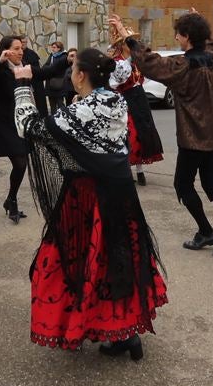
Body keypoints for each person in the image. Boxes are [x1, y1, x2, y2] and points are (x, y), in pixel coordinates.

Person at [13, 48, 167, 359]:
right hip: (121, 193)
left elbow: (29, 126)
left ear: (81, 75)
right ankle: (126, 334)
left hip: (87, 195)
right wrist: (77, 104)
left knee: (75, 262)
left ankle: (89, 326)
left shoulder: (79, 112)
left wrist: (22, 85)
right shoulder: (114, 100)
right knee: (116, 259)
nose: (71, 74)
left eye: (73, 70)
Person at [116, 11, 213, 258]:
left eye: (179, 33)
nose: (176, 37)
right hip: (212, 135)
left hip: (194, 136)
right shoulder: (211, 59)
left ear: (186, 37)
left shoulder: (184, 65)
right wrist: (199, 22)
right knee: (212, 183)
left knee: (183, 185)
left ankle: (208, 231)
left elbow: (152, 63)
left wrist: (129, 39)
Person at [0, 36, 69, 223]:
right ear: (6, 51)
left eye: (22, 48)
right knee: (20, 163)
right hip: (3, 122)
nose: (21, 51)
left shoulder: (24, 69)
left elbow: (47, 72)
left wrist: (66, 60)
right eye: (16, 48)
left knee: (20, 163)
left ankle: (11, 200)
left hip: (20, 121)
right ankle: (12, 200)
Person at [107, 19, 164, 186]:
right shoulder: (117, 62)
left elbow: (142, 77)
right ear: (122, 45)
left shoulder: (136, 60)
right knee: (129, 135)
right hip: (124, 99)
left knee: (143, 132)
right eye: (127, 42)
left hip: (139, 98)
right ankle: (127, 170)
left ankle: (140, 171)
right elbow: (115, 83)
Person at [41, 41, 68, 115]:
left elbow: (58, 68)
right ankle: (53, 120)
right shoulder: (52, 56)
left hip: (59, 83)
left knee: (60, 104)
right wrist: (49, 69)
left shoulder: (64, 56)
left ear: (59, 48)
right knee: (52, 104)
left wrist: (50, 69)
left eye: (54, 47)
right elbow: (45, 66)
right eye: (52, 47)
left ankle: (63, 118)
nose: (52, 49)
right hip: (50, 84)